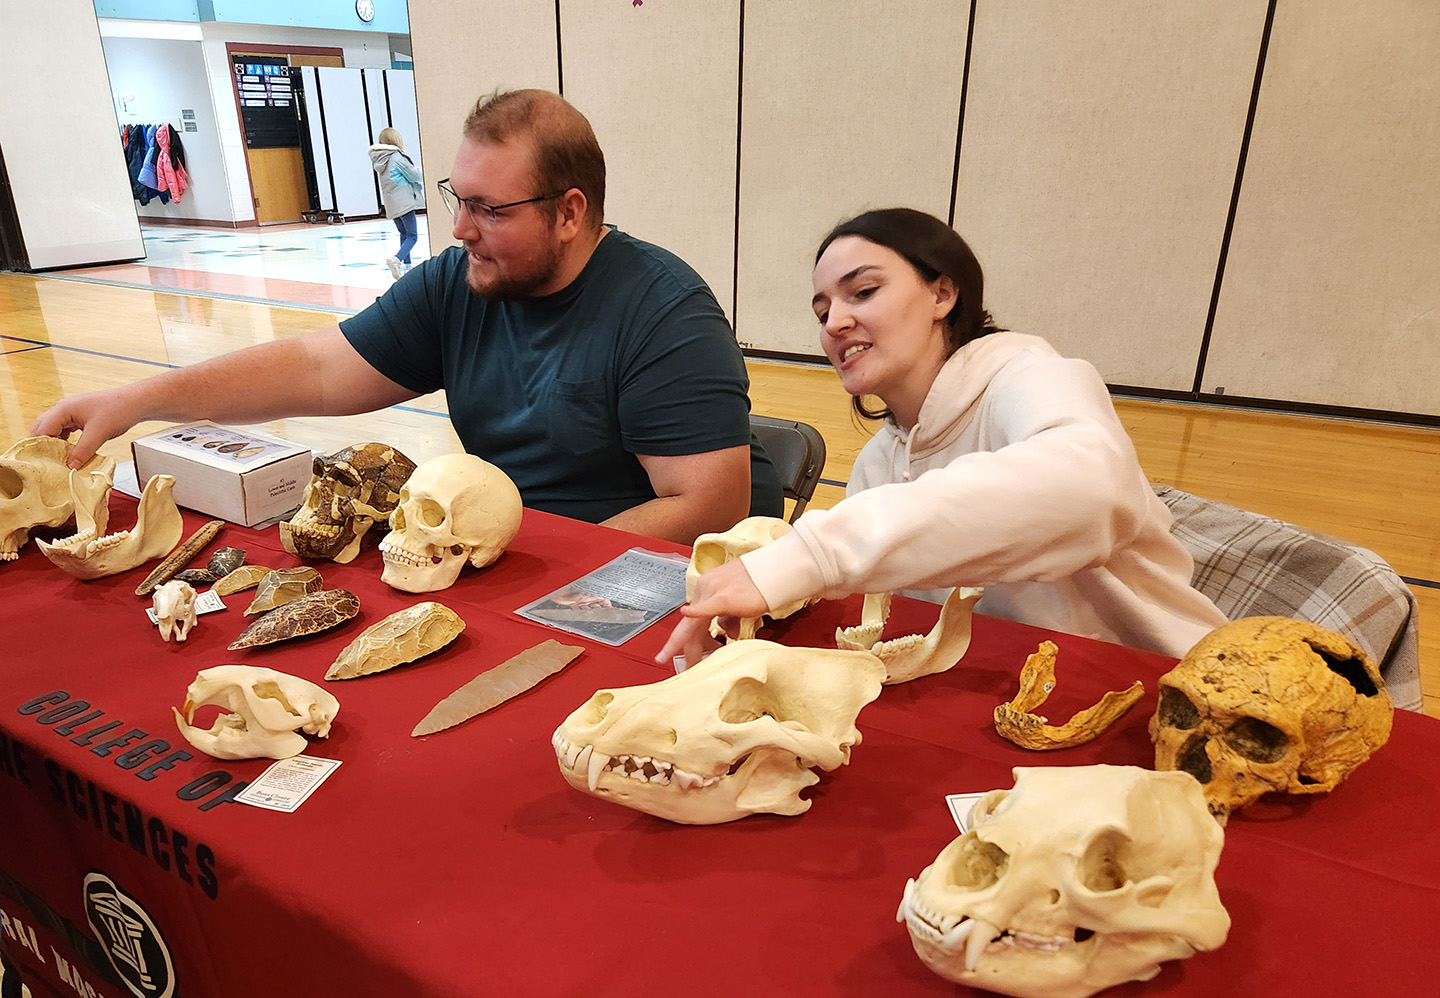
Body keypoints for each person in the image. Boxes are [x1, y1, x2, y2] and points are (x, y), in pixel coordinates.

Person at [32, 89, 781, 545]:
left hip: (627, 588)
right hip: (509, 556)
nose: (459, 229)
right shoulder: (460, 283)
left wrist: (540, 575)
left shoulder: (664, 312)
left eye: (491, 210)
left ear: (569, 213)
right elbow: (318, 370)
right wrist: (137, 402)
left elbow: (707, 505)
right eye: (460, 197)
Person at [659, 207, 1227, 665]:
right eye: (822, 308)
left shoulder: (1031, 376)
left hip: (1160, 687)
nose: (834, 322)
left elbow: (1093, 489)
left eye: (862, 292)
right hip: (1012, 696)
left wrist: (811, 556)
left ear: (942, 294)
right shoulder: (881, 462)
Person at [369, 126, 424, 279]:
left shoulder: (380, 159)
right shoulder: (396, 157)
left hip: (392, 204)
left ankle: (407, 267)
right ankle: (396, 259)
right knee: (412, 236)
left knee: (404, 234)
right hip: (404, 202)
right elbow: (413, 175)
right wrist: (421, 170)